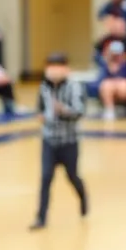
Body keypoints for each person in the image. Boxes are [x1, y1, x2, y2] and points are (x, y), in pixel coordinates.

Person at [30, 52, 88, 231]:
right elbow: (39, 107)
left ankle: (83, 197)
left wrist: (63, 110)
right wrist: (41, 116)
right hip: (49, 141)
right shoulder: (44, 87)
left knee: (72, 176)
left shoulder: (75, 87)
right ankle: (41, 217)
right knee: (46, 177)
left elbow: (79, 112)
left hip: (69, 141)